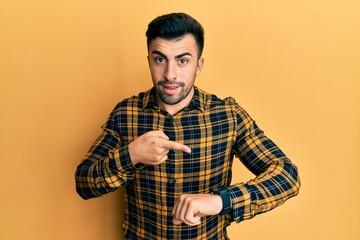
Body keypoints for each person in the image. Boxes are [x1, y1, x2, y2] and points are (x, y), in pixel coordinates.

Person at [75, 12, 301, 240]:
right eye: (160, 59)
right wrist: (131, 156)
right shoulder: (126, 113)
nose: (170, 74)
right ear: (149, 61)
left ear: (199, 65)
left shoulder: (228, 115)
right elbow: (84, 183)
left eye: (182, 60)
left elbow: (287, 176)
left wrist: (221, 200)